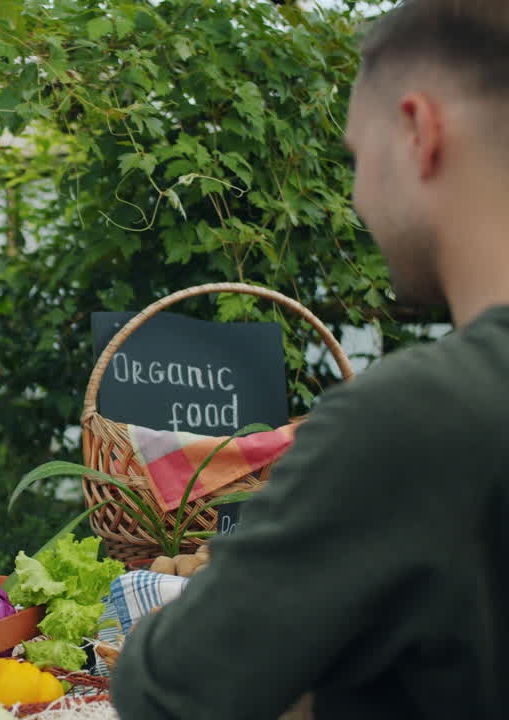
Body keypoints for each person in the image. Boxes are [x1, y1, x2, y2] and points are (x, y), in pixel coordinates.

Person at [110, 1, 508, 717]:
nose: (357, 196)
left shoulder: (421, 418)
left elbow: (172, 691)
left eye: (357, 156)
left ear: (419, 131)